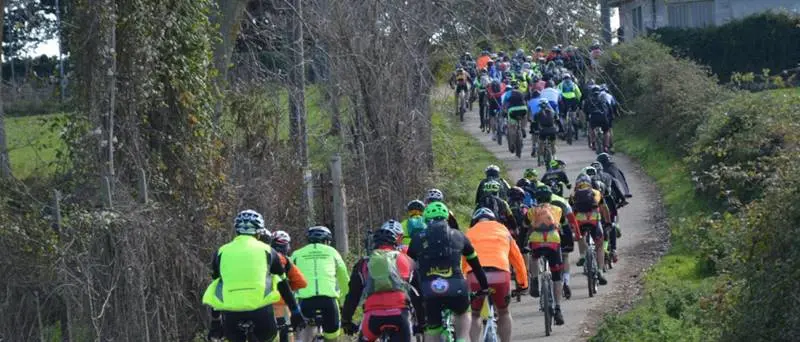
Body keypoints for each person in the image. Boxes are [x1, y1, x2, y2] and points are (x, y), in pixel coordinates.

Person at [203, 210, 307, 342]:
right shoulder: (269, 251)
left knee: (220, 282)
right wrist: (295, 312)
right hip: (261, 312)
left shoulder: (221, 251)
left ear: (237, 230)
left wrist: (215, 321)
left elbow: (216, 288)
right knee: (272, 336)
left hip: (231, 313)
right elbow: (283, 284)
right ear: (259, 232)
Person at [407, 202, 489, 342]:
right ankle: (462, 339)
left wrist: (415, 293)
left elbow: (409, 269)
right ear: (447, 217)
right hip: (456, 287)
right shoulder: (459, 235)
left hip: (429, 289)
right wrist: (484, 286)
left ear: (426, 219)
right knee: (463, 314)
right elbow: (476, 266)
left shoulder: (417, 239)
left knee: (433, 330)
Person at [341, 222, 426, 342]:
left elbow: (353, 296)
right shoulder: (407, 260)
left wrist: (346, 321)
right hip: (400, 315)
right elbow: (418, 295)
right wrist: (422, 323)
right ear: (396, 243)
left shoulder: (364, 263)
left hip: (372, 317)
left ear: (374, 245)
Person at [464, 208, 528, 342]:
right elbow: (517, 259)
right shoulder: (503, 231)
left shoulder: (469, 233)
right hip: (500, 274)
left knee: (475, 314)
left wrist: (464, 283)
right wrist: (523, 283)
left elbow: (463, 263)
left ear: (474, 221)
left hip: (475, 276)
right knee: (504, 312)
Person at [291, 226, 350, 342]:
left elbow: (287, 278)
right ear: (327, 241)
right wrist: (344, 303)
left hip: (305, 302)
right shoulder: (333, 252)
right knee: (332, 337)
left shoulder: (297, 254)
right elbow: (344, 280)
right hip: (328, 301)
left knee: (303, 337)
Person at [526, 187, 566, 325]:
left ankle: (535, 281)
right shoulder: (557, 209)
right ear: (550, 198)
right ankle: (558, 308)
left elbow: (525, 225)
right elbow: (564, 227)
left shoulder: (532, 210)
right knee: (556, 277)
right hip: (554, 242)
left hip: (536, 241)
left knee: (534, 257)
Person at [534, 184, 580, 299]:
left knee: (534, 255)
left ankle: (534, 280)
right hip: (556, 237)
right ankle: (566, 282)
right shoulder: (561, 203)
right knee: (564, 257)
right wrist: (572, 241)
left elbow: (527, 227)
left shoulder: (534, 207)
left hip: (538, 239)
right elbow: (570, 222)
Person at [569, 175, 612, 286]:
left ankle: (583, 255)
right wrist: (608, 222)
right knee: (599, 246)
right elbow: (604, 209)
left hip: (580, 221)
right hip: (594, 221)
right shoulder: (596, 193)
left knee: (580, 235)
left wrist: (570, 226)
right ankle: (600, 271)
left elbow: (570, 212)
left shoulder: (574, 195)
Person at [270, 230, 307, 342]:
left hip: (262, 304)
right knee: (286, 334)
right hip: (282, 304)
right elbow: (302, 282)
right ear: (286, 246)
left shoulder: (262, 258)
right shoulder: (285, 261)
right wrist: (288, 286)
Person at [502, 80, 529, 153]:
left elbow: (504, 104)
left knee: (511, 127)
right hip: (523, 109)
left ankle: (512, 143)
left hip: (512, 110)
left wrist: (504, 111)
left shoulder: (508, 93)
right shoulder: (522, 92)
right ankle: (523, 128)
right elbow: (526, 103)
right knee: (524, 117)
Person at [584, 85, 611, 153]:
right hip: (603, 117)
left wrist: (587, 117)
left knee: (591, 128)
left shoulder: (588, 99)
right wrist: (609, 115)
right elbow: (608, 107)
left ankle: (593, 143)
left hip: (593, 117)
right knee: (606, 131)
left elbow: (585, 110)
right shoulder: (603, 98)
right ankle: (606, 146)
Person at [558, 74, 582, 141]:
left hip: (564, 100)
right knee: (574, 115)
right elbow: (579, 94)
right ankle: (576, 132)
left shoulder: (560, 84)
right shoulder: (574, 84)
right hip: (573, 100)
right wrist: (578, 101)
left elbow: (558, 93)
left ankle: (563, 130)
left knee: (562, 115)